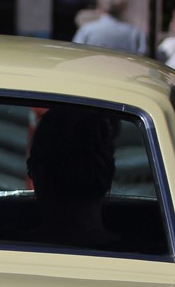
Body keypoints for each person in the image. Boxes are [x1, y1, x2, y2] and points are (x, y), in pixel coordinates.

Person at [23, 106, 121, 249]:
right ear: (109, 174)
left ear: (38, 173)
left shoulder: (0, 250)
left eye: (30, 168)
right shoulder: (145, 256)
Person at [72, 0, 147, 55]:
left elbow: (76, 54)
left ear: (101, 3)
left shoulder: (87, 31)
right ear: (124, 6)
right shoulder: (134, 34)